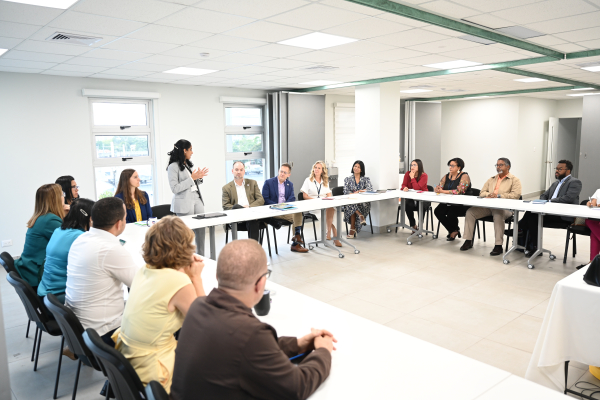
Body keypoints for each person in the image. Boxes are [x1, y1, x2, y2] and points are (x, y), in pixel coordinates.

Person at [170, 239, 335, 400]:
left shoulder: (198, 306)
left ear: (217, 276)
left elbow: (253, 351)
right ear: (260, 283)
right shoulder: (249, 333)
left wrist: (298, 344)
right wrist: (323, 351)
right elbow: (297, 387)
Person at [113, 216, 206, 393]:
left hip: (130, 360)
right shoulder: (178, 282)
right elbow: (206, 324)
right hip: (154, 370)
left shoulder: (145, 270)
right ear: (184, 247)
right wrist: (195, 277)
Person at [65, 197, 137, 347]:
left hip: (78, 328)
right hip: (103, 334)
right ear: (119, 224)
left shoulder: (81, 239)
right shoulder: (110, 249)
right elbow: (141, 284)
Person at [516, 160, 582, 253]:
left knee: (532, 217)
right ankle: (533, 245)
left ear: (568, 171)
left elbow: (568, 198)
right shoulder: (555, 183)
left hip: (562, 215)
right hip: (549, 213)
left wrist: (549, 201)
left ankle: (520, 230)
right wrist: (544, 200)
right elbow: (544, 195)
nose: (557, 171)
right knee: (532, 214)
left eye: (560, 169)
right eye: (556, 169)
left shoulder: (575, 182)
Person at [38, 198, 95, 304]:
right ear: (89, 218)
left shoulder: (58, 230)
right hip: (59, 297)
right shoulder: (80, 237)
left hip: (46, 292)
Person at [460, 158, 522, 256]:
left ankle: (498, 245)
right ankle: (468, 240)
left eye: (500, 165)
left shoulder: (514, 180)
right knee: (470, 212)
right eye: (497, 165)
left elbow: (516, 195)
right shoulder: (492, 179)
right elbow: (482, 192)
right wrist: (489, 194)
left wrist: (498, 195)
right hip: (489, 206)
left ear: (508, 166)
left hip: (505, 208)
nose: (498, 167)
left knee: (498, 214)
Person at [15, 184, 64, 289]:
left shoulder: (41, 217)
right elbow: (71, 241)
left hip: (28, 269)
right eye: (62, 194)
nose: (63, 197)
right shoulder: (50, 220)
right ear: (55, 199)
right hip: (36, 274)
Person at [167, 139, 209, 256]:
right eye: (190, 150)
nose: (192, 152)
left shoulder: (186, 164)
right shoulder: (173, 167)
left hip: (196, 199)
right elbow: (175, 188)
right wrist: (192, 179)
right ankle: (186, 258)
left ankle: (201, 256)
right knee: (186, 233)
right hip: (184, 202)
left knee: (201, 229)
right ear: (184, 150)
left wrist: (198, 178)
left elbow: (192, 183)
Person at [261, 163, 307, 253]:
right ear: (278, 171)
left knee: (298, 212)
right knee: (296, 216)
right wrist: (278, 206)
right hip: (273, 210)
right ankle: (296, 242)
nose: (282, 174)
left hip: (285, 210)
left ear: (288, 175)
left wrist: (285, 206)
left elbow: (292, 198)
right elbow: (265, 199)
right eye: (281, 171)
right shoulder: (268, 182)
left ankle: (297, 237)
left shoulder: (290, 184)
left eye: (285, 172)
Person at [301, 161, 341, 247]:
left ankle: (329, 233)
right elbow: (304, 196)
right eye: (315, 167)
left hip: (324, 204)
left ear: (322, 170)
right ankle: (334, 236)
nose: (316, 169)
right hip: (313, 205)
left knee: (332, 209)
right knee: (329, 212)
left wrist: (327, 199)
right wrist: (316, 200)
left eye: (319, 168)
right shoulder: (308, 180)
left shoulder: (325, 181)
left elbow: (329, 194)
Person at [222, 161, 265, 241]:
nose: (239, 172)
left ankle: (253, 250)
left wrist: (249, 207)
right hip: (236, 217)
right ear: (232, 171)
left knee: (251, 218)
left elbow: (260, 200)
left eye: (241, 170)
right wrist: (242, 209)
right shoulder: (226, 188)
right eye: (236, 169)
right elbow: (226, 205)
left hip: (251, 215)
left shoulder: (252, 183)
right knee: (236, 206)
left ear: (244, 171)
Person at [434, 158, 472, 241]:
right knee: (438, 211)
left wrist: (443, 191)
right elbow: (440, 186)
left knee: (451, 213)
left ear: (459, 167)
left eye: (452, 166)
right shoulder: (447, 176)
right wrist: (437, 189)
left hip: (462, 203)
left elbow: (460, 191)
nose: (450, 167)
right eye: (449, 165)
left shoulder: (464, 176)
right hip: (449, 202)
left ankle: (454, 230)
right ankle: (453, 230)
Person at [343, 160, 373, 239]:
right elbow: (346, 192)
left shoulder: (366, 179)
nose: (356, 168)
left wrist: (359, 191)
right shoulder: (347, 179)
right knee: (351, 203)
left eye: (358, 167)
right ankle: (360, 215)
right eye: (355, 166)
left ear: (361, 170)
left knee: (351, 205)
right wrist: (354, 194)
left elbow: (370, 189)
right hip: (352, 201)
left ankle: (352, 230)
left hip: (363, 203)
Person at [401, 159, 428, 230]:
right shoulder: (407, 174)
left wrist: (412, 177)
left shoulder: (424, 175)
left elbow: (417, 188)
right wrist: (404, 187)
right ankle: (413, 225)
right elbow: (403, 184)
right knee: (408, 205)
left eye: (414, 165)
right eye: (411, 165)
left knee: (421, 206)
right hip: (411, 197)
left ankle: (420, 227)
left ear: (419, 166)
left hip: (423, 197)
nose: (412, 167)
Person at [583, 189, 600, 269]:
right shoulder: (598, 191)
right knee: (590, 222)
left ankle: (592, 262)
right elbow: (593, 203)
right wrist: (589, 204)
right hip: (593, 220)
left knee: (594, 234)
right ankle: (593, 262)